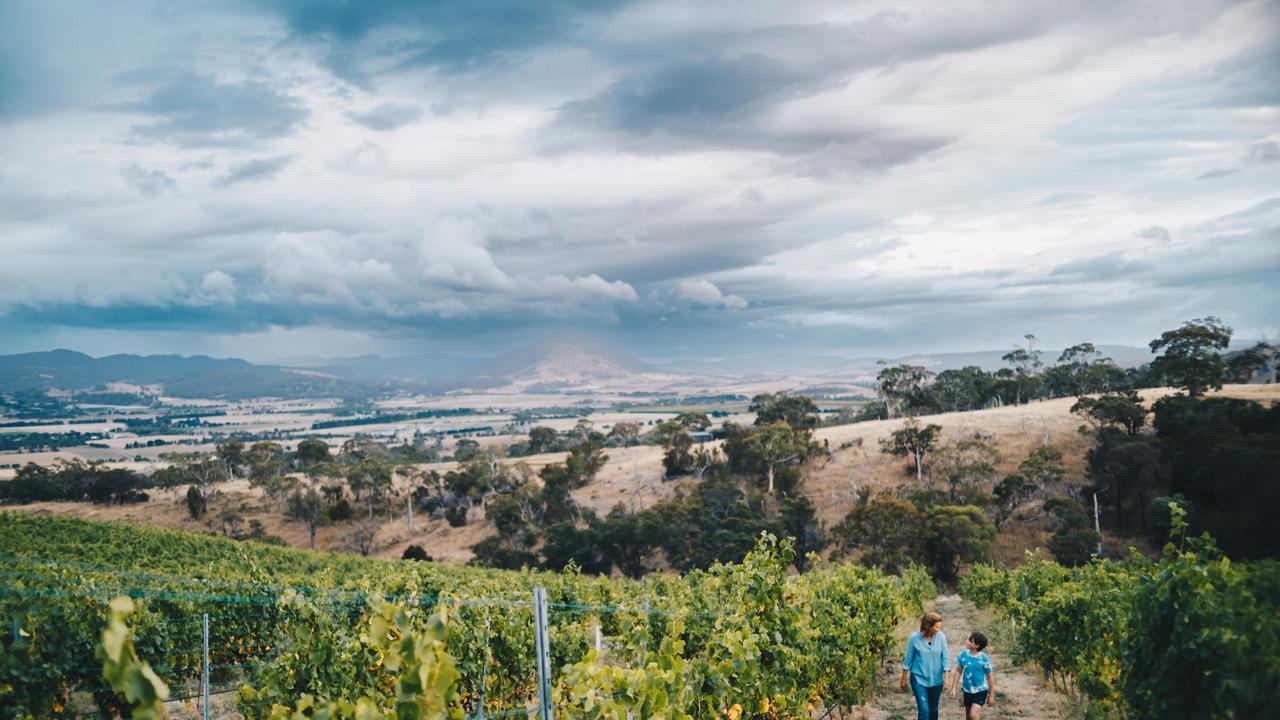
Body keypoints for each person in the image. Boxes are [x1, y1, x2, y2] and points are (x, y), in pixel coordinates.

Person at [900, 611, 950, 720]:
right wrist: (903, 679)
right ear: (928, 627)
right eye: (936, 628)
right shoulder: (914, 638)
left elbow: (946, 658)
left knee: (933, 710)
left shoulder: (941, 637)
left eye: (940, 627)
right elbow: (908, 659)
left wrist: (946, 678)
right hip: (919, 679)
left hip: (936, 681)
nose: (939, 630)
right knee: (924, 710)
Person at [949, 631, 996, 719]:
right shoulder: (963, 655)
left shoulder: (984, 658)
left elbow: (990, 677)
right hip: (967, 690)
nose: (966, 641)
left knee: (973, 715)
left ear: (977, 645)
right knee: (968, 717)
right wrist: (954, 689)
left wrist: (991, 695)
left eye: (970, 640)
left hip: (980, 690)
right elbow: (958, 671)